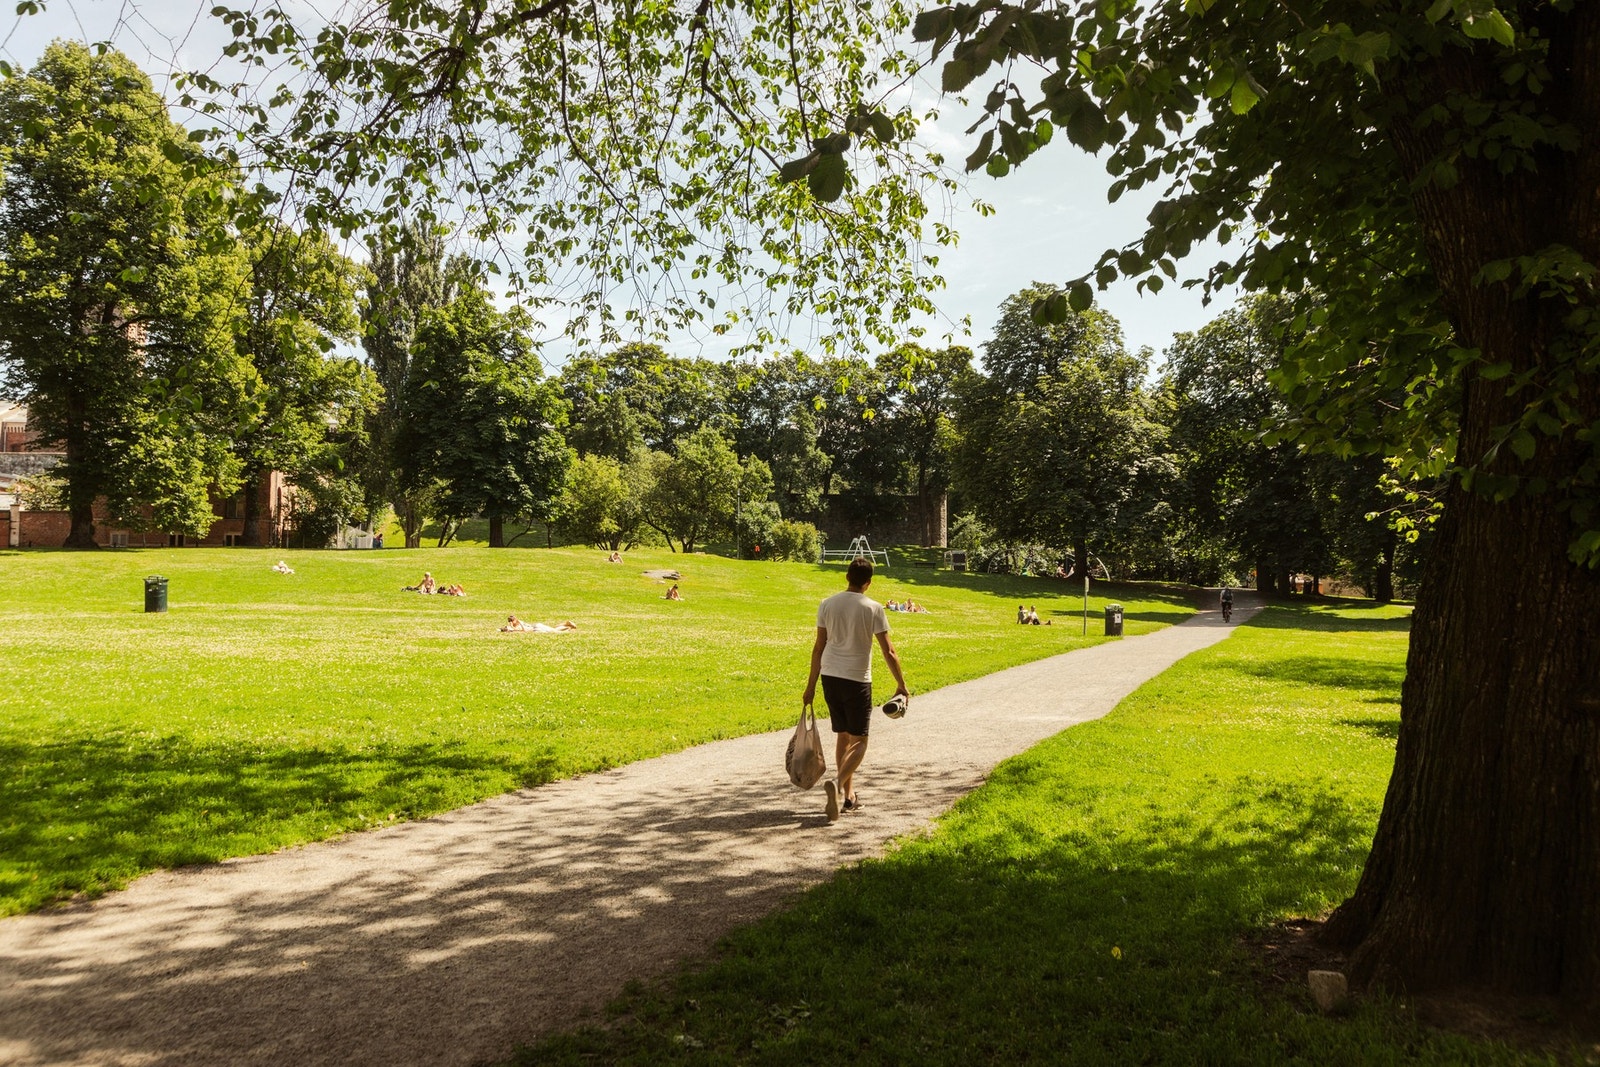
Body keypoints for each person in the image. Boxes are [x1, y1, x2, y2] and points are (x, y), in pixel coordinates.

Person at [802, 557, 909, 822]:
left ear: (847, 577)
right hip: (857, 679)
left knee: (843, 736)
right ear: (868, 583)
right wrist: (902, 685)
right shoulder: (872, 608)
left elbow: (818, 648)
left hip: (830, 676)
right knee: (860, 740)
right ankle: (838, 784)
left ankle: (847, 797)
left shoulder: (827, 604)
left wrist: (810, 686)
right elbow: (889, 651)